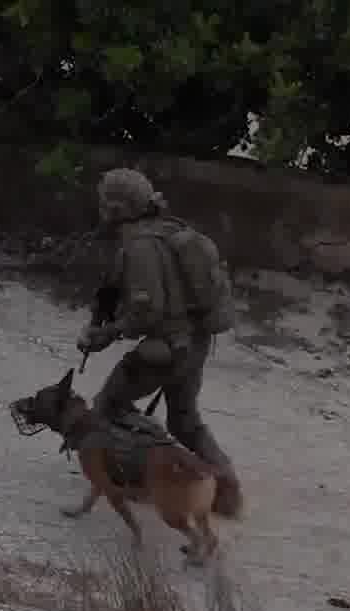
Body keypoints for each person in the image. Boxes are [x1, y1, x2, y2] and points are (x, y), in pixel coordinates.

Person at [75, 167, 244, 518]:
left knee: (108, 405)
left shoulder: (139, 248)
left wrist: (105, 334)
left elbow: (145, 314)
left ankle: (138, 474)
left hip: (164, 352)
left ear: (120, 208)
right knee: (185, 420)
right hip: (195, 346)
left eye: (107, 204)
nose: (102, 211)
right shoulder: (172, 231)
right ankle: (227, 489)